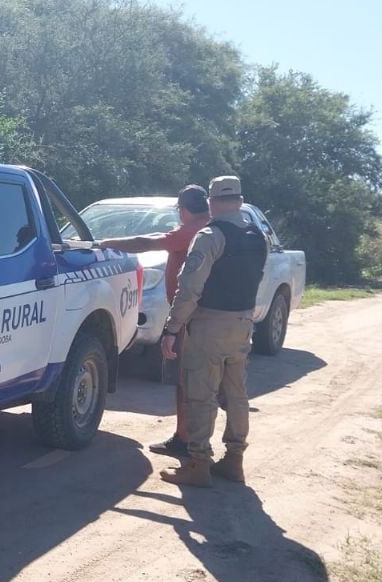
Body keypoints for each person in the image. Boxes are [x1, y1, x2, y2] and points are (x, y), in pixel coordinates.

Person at [158, 175, 266, 487]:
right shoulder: (257, 235)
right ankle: (234, 459)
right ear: (240, 201)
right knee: (236, 394)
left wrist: (172, 328)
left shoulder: (209, 236)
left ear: (211, 203)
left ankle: (198, 463)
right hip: (242, 322)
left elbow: (189, 288)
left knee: (200, 395)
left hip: (209, 324)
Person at [97, 185, 210, 460]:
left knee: (186, 380)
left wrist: (105, 243)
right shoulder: (211, 227)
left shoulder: (192, 231)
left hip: (191, 317)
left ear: (183, 209)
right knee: (199, 380)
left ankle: (189, 442)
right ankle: (191, 439)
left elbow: (147, 243)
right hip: (206, 316)